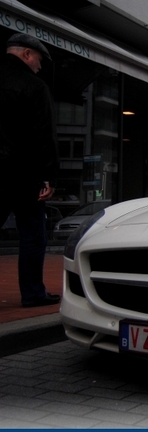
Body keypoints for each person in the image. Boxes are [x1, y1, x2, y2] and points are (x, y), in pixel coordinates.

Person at [0, 34, 60, 307]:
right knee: (33, 237)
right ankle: (33, 293)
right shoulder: (34, 86)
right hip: (24, 175)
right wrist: (49, 176)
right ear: (26, 54)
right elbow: (44, 135)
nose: (39, 66)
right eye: (38, 59)